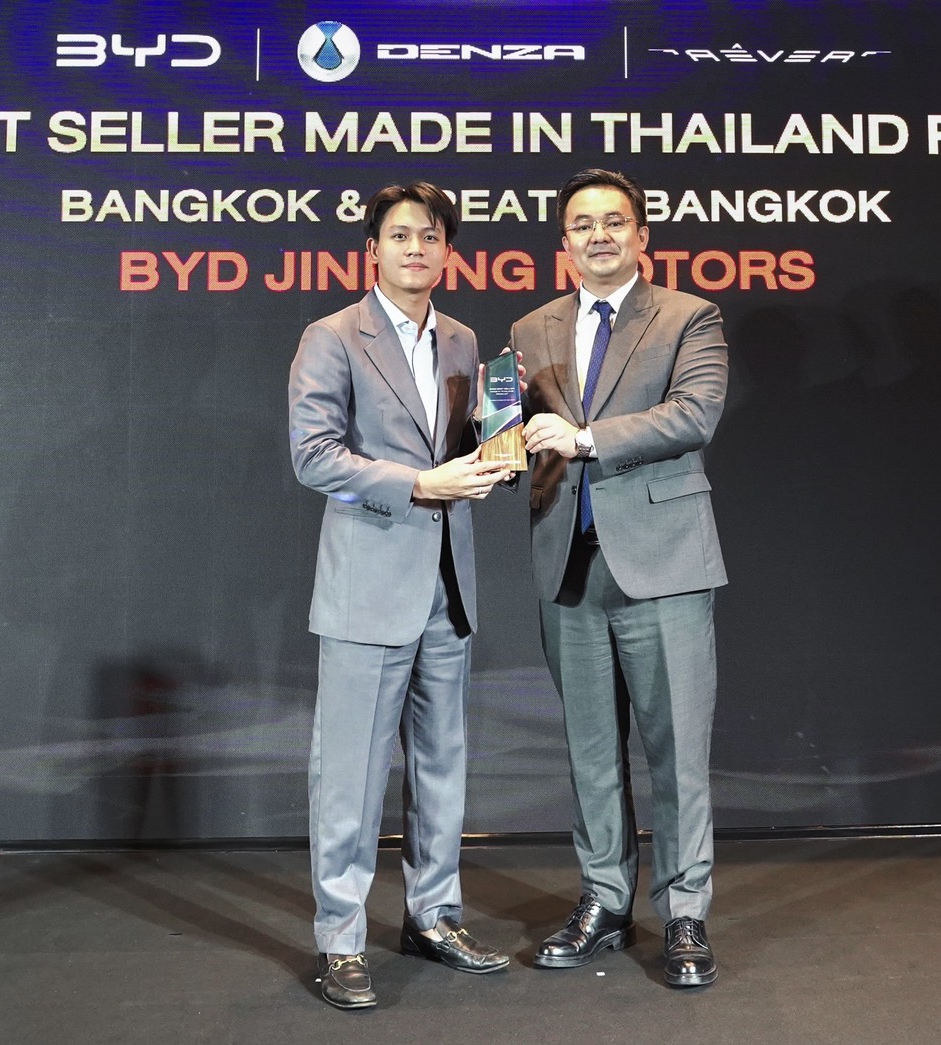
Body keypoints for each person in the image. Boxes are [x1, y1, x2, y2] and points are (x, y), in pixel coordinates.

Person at [288, 182, 514, 1010]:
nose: (415, 248)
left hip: (447, 582)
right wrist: (419, 482)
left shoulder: (461, 339)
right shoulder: (330, 336)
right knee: (349, 774)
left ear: (447, 251)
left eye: (429, 236)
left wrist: (495, 449)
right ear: (372, 250)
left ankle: (434, 915)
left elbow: (461, 446)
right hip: (367, 586)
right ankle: (341, 938)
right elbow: (314, 457)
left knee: (441, 763)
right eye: (399, 235)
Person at [512, 168, 729, 988]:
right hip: (566, 564)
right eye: (581, 224)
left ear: (641, 236)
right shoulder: (530, 326)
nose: (597, 235)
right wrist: (492, 445)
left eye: (613, 222)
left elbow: (693, 414)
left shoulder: (687, 315)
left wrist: (583, 438)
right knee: (589, 751)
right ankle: (604, 900)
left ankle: (683, 912)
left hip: (662, 561)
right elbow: (519, 429)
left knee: (676, 753)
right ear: (563, 242)